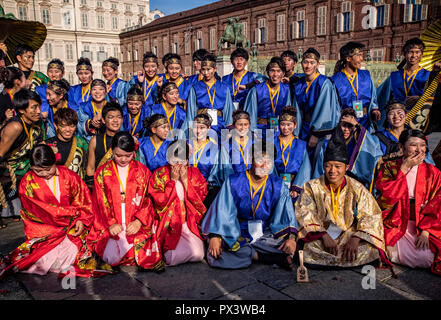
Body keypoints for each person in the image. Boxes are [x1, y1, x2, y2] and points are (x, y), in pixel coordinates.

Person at [0, 144, 112, 279]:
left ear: (55, 161)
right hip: (46, 230)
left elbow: (83, 201)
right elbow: (33, 211)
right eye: (38, 171)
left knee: (72, 254)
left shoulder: (69, 176)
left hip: (72, 227)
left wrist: (81, 220)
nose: (44, 174)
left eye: (48, 169)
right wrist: (68, 215)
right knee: (43, 260)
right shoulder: (27, 182)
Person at [295, 127, 387, 268]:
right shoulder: (311, 186)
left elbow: (371, 215)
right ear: (323, 166)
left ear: (347, 167)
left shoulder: (357, 187)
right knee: (307, 248)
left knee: (370, 249)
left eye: (338, 166)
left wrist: (356, 239)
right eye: (328, 166)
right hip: (320, 235)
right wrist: (324, 236)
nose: (333, 171)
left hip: (348, 234)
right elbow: (305, 212)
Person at [202, 140, 298, 270]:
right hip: (237, 230)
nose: (263, 165)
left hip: (265, 232)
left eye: (268, 162)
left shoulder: (278, 184)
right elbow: (223, 212)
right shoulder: (234, 182)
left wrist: (292, 239)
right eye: (259, 160)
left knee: (288, 246)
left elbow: (286, 214)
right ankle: (266, 257)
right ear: (250, 159)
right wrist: (215, 236)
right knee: (215, 253)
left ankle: (252, 254)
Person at [376, 130, 441, 276]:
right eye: (413, 145)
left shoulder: (434, 172)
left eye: (422, 145)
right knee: (383, 251)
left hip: (423, 223)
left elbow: (438, 203)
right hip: (396, 221)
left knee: (428, 257)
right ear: (402, 147)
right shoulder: (390, 167)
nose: (419, 150)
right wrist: (404, 168)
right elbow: (387, 198)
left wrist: (426, 231)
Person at [91, 132, 153, 269]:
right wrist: (111, 223)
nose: (123, 159)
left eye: (128, 155)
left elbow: (149, 199)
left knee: (144, 254)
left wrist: (138, 221)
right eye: (118, 155)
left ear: (134, 152)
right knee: (111, 257)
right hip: (113, 224)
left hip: (135, 223)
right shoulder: (103, 172)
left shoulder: (142, 171)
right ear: (112, 151)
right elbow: (100, 201)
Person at [144, 140, 208, 270]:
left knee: (198, 254)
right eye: (174, 161)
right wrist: (172, 181)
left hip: (188, 222)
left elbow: (200, 200)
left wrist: (185, 180)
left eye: (182, 161)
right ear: (168, 158)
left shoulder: (194, 173)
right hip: (169, 223)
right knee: (171, 256)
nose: (178, 165)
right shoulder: (160, 174)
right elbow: (159, 202)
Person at [0, 89, 45, 223]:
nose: (38, 111)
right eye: (33, 107)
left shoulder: (37, 122)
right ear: (21, 110)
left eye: (39, 106)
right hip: (7, 173)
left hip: (24, 169)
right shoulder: (15, 126)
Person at [312, 108, 383, 191]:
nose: (346, 129)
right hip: (331, 184)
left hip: (353, 185)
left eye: (350, 126)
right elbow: (320, 169)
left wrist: (357, 124)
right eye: (343, 125)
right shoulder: (327, 144)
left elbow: (372, 148)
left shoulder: (358, 143)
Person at [293, 48, 340, 150]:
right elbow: (297, 109)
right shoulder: (298, 84)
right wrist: (295, 131)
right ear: (301, 64)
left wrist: (316, 134)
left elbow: (325, 109)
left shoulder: (324, 83)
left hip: (319, 131)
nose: (308, 66)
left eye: (312, 62)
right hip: (303, 127)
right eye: (305, 62)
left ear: (317, 64)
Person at [331, 42, 381, 130]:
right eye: (358, 55)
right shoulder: (335, 80)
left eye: (362, 55)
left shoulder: (366, 76)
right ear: (348, 58)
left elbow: (373, 98)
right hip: (344, 124)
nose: (362, 59)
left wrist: (374, 109)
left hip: (365, 121)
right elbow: (333, 106)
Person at [244, 57, 296, 137]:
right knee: (260, 149)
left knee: (276, 149)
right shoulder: (257, 89)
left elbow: (288, 112)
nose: (275, 74)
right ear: (267, 72)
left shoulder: (287, 90)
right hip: (259, 131)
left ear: (283, 73)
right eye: (272, 71)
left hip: (279, 130)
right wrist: (251, 131)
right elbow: (250, 112)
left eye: (278, 71)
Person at [377, 38, 430, 115]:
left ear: (421, 54)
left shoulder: (428, 75)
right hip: (397, 118)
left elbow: (435, 98)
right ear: (405, 54)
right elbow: (379, 96)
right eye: (410, 52)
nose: (414, 55)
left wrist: (421, 99)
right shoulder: (394, 76)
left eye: (417, 52)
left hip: (420, 118)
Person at [186, 53, 234, 137]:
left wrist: (228, 128)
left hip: (219, 124)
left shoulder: (223, 88)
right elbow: (191, 109)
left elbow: (228, 110)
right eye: (203, 69)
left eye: (209, 69)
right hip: (201, 125)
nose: (206, 72)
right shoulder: (195, 87)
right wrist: (191, 128)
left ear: (215, 69)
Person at [274, 106, 311, 199]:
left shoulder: (301, 144)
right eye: (282, 124)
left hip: (294, 186)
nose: (285, 128)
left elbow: (305, 168)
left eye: (289, 124)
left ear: (295, 125)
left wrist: (296, 188)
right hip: (275, 184)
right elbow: (268, 166)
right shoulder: (271, 142)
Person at [85, 102, 123, 191]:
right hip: (100, 186)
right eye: (111, 117)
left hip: (121, 186)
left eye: (119, 117)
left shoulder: (126, 139)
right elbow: (90, 168)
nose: (115, 120)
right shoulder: (95, 140)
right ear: (103, 120)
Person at [188, 113, 224, 208]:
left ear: (208, 129)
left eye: (202, 127)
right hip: (187, 187)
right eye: (196, 127)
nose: (198, 131)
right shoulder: (185, 145)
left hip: (207, 190)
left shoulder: (216, 148)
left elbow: (216, 174)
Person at [45, 108, 89, 179]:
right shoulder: (47, 145)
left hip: (77, 186)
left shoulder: (81, 142)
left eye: (72, 126)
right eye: (63, 126)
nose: (68, 130)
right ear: (56, 125)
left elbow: (86, 167)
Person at [221, 110, 255, 175]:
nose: (243, 128)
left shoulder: (256, 142)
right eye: (239, 125)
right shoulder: (227, 145)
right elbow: (227, 169)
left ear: (249, 125)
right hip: (236, 181)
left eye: (246, 124)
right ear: (234, 125)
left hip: (253, 180)